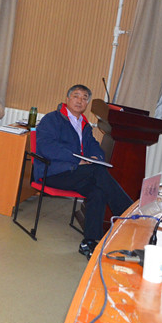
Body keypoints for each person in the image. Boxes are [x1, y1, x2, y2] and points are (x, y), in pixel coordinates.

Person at [36, 85, 133, 258]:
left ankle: (89, 241)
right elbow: (46, 147)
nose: (80, 101)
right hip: (53, 172)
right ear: (67, 99)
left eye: (84, 98)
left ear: (87, 103)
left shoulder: (84, 124)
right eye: (76, 96)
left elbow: (94, 146)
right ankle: (129, 213)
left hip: (75, 173)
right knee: (97, 171)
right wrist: (77, 160)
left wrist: (96, 156)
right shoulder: (52, 119)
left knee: (98, 191)